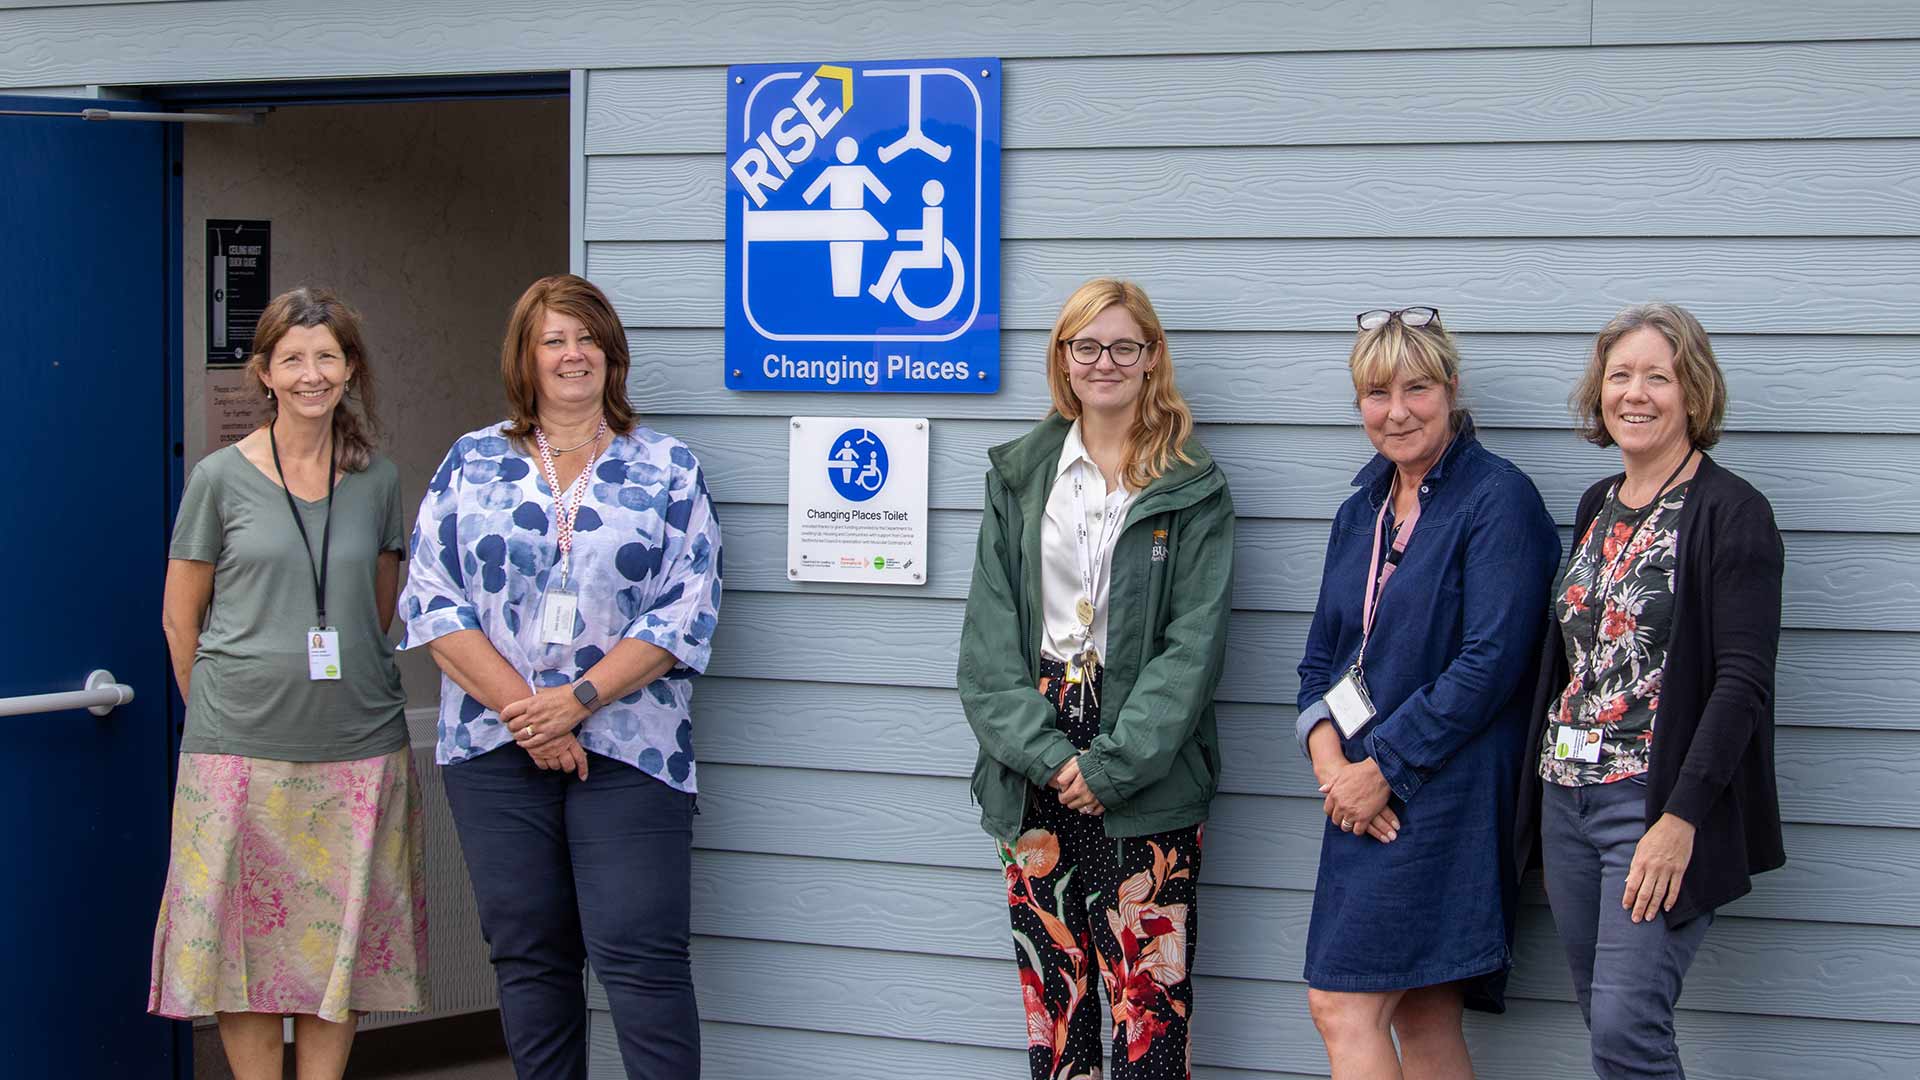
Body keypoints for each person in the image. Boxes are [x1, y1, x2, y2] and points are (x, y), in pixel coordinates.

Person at [398, 274, 722, 1078]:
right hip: (494, 748)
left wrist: (576, 702)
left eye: (587, 338)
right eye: (554, 340)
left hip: (632, 749)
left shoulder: (667, 467)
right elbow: (432, 601)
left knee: (642, 958)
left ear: (611, 355)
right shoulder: (472, 461)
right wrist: (528, 714)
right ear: (527, 358)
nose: (573, 354)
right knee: (528, 957)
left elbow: (686, 608)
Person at [957, 278, 1235, 1079]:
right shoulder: (1020, 477)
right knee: (1058, 1020)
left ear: (1152, 360)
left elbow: (1194, 647)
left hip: (1143, 762)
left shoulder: (1192, 488)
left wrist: (1111, 765)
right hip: (1033, 760)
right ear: (1064, 361)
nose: (1105, 362)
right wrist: (1048, 757)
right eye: (1087, 346)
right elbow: (984, 653)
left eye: (1124, 346)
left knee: (1150, 1021)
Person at [150, 287, 427, 1079]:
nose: (312, 375)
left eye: (328, 357)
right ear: (265, 371)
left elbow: (376, 612)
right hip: (238, 753)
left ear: (350, 370)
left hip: (360, 752)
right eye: (294, 359)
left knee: (338, 951)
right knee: (243, 955)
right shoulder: (216, 479)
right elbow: (181, 621)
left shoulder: (378, 482)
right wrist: (220, 709)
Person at [1515, 302, 1785, 1079]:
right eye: (1619, 375)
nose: (1635, 393)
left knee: (1628, 1027)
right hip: (1566, 796)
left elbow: (1742, 683)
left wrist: (1678, 819)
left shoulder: (1732, 513)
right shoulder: (1597, 504)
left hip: (1650, 800)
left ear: (1693, 395)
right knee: (1603, 1019)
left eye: (1657, 377)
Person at [1296, 307, 1558, 1079]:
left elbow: (1492, 664)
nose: (1398, 410)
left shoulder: (1497, 499)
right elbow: (1321, 659)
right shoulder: (1359, 511)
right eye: (1377, 393)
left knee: (1343, 1005)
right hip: (1359, 788)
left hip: (1446, 786)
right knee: (1422, 1011)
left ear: (1450, 389)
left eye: (1417, 388)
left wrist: (1382, 771)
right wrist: (1331, 766)